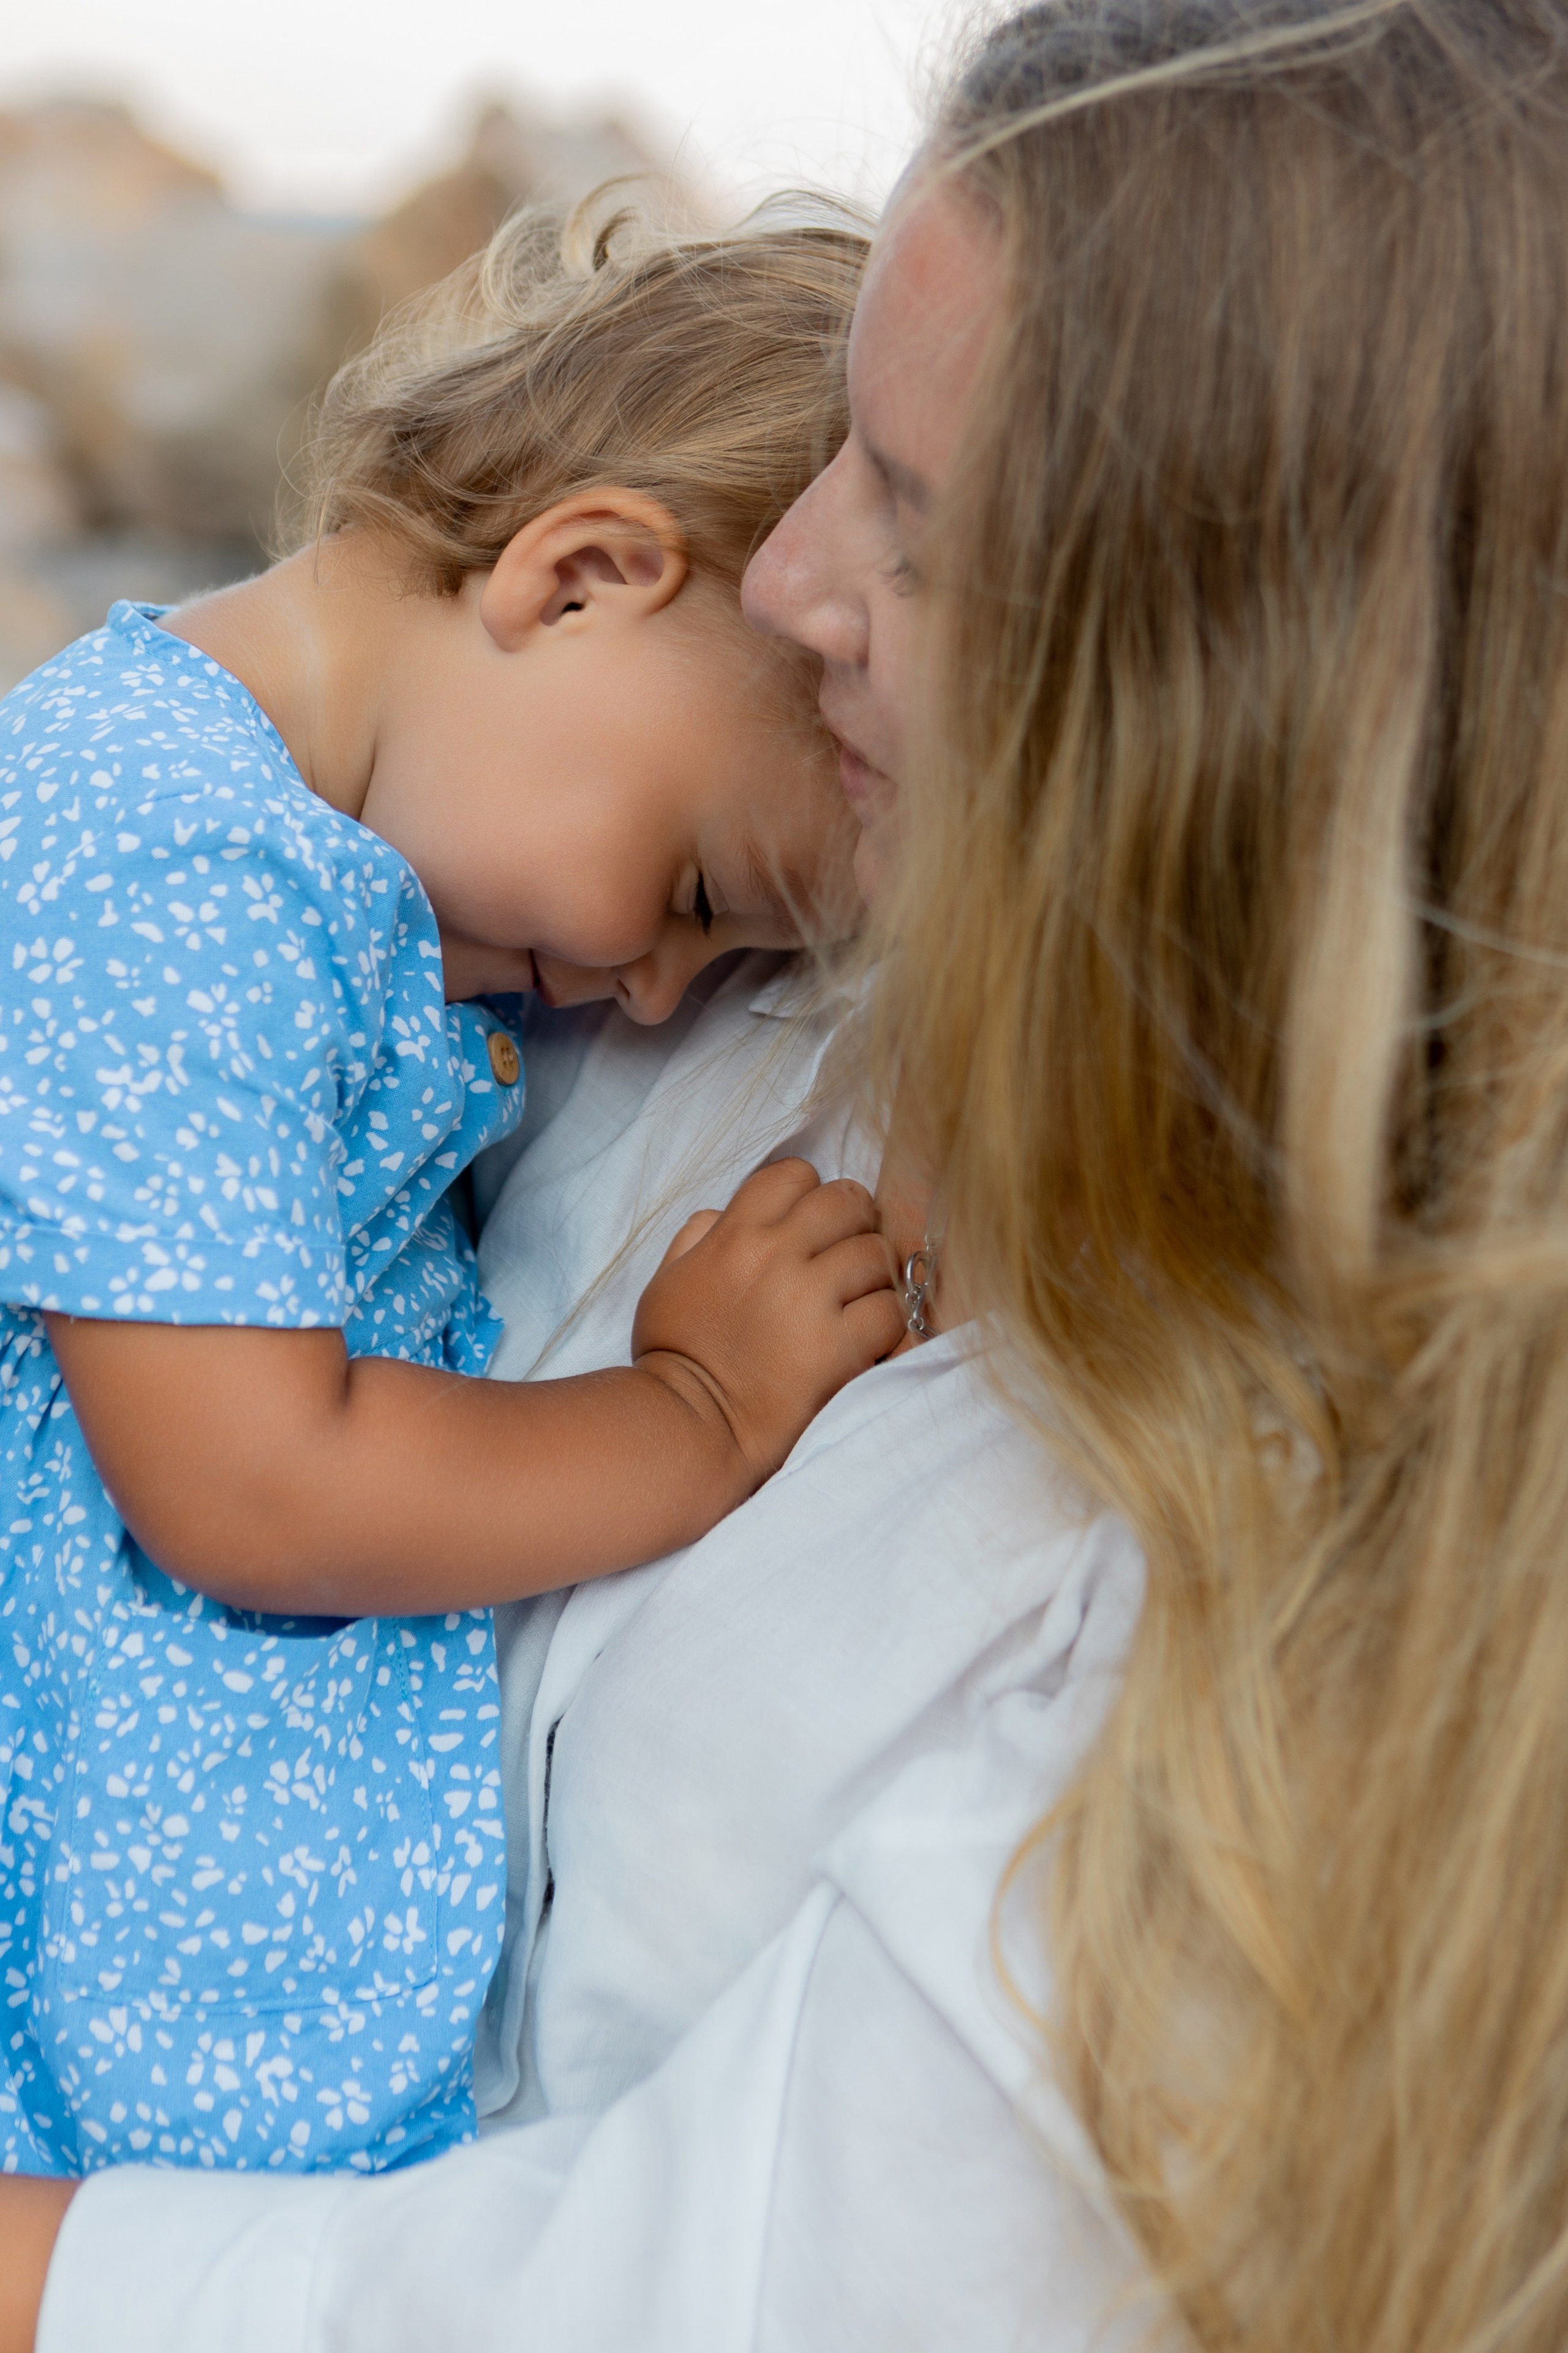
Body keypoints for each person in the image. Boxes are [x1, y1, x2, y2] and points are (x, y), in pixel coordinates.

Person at [10, 0, 1568, 2347]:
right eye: (844, 436)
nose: (797, 578)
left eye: (921, 534)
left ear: (1218, 691)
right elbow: (237, 1431)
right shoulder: (465, 915)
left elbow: (692, 2287)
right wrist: (688, 1421)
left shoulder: (1327, 1609)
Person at [0, 207, 903, 2183]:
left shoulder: (308, 859)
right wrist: (700, 1416)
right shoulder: (167, 856)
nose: (654, 993)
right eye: (687, 897)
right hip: (89, 2020)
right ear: (580, 575)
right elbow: (252, 1482)